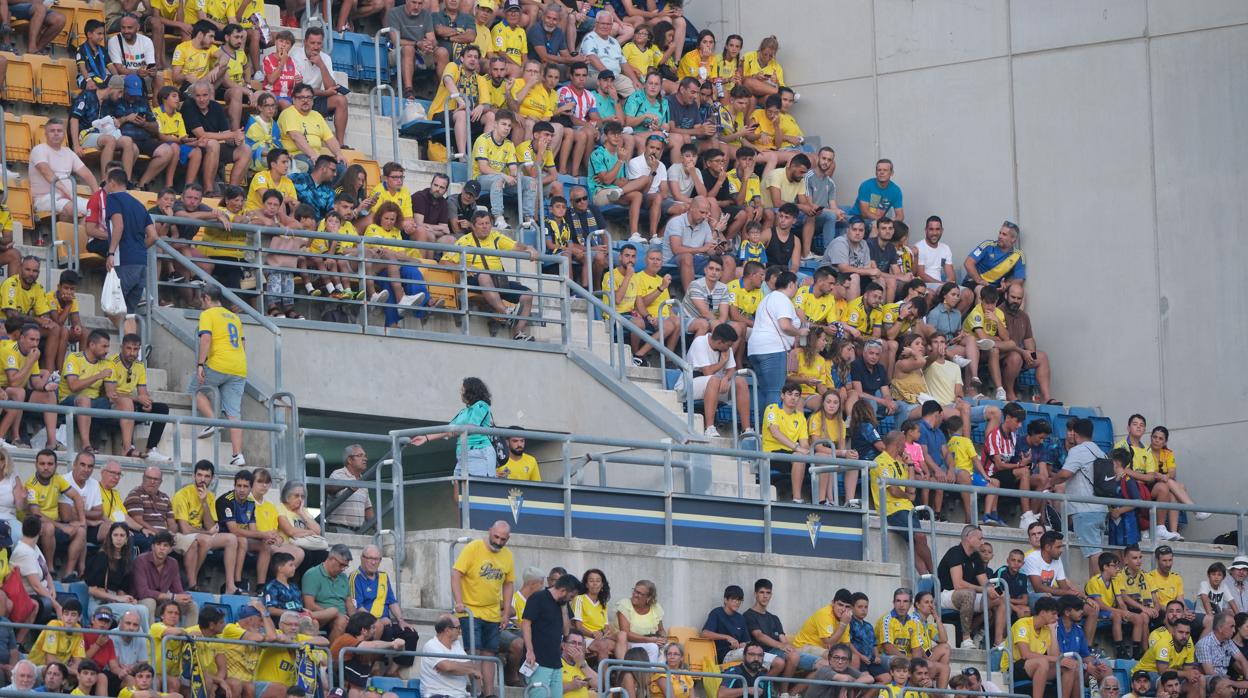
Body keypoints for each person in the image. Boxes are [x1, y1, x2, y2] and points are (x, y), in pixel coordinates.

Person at [438, 210, 540, 340]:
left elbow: (515, 245)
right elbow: (443, 262)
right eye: (481, 224)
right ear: (473, 226)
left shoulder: (496, 236)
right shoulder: (464, 241)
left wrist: (528, 248)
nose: (485, 226)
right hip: (475, 282)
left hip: (498, 281)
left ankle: (518, 332)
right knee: (484, 276)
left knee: (528, 295)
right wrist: (464, 267)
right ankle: (505, 313)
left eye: (487, 223)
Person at [448, 522, 514, 696]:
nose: (499, 542)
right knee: (474, 651)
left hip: (492, 613)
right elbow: (456, 573)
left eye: (503, 539)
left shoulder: (507, 555)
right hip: (471, 610)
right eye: (496, 537)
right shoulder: (474, 547)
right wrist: (459, 601)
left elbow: (508, 584)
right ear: (490, 532)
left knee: (489, 654)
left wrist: (506, 612)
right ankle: (477, 689)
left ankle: (489, 693)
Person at [189, 287, 247, 465]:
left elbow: (205, 339)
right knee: (233, 412)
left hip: (218, 363)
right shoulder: (234, 317)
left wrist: (200, 364)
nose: (201, 304)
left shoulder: (208, 314)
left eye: (201, 300)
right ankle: (237, 455)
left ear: (206, 298)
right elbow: (243, 344)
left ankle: (213, 421)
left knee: (194, 390)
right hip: (239, 366)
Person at [172, 459, 245, 594]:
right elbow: (184, 529)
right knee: (205, 540)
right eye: (199, 475)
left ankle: (230, 585)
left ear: (212, 478)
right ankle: (192, 582)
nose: (202, 479)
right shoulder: (182, 494)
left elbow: (211, 525)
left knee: (232, 539)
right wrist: (206, 532)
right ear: (193, 476)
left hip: (202, 534)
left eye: (206, 476)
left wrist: (204, 502)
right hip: (183, 535)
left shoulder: (210, 496)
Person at [1049, 417, 1109, 576]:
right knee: (1094, 552)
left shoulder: (1078, 450)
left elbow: (1065, 473)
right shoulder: (1100, 452)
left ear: (1075, 434)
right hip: (1101, 509)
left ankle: (1097, 593)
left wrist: (1051, 482)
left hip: (1085, 510)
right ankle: (1094, 591)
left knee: (1095, 553)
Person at [871, 431, 933, 575]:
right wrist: (908, 495)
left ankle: (927, 579)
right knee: (919, 536)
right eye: (903, 444)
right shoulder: (880, 462)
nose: (904, 447)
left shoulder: (900, 463)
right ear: (897, 444)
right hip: (892, 509)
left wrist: (910, 465)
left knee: (914, 543)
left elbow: (910, 487)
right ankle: (935, 572)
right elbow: (894, 490)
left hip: (907, 508)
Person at [937, 525, 1006, 649]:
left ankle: (998, 642)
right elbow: (958, 584)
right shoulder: (955, 552)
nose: (982, 542)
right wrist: (984, 589)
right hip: (945, 594)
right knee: (968, 593)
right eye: (980, 538)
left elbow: (984, 582)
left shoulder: (975, 557)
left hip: (966, 595)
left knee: (999, 599)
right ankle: (965, 639)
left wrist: (993, 591)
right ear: (969, 538)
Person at [104, 334, 170, 461]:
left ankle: (151, 449)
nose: (132, 353)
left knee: (162, 409)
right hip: (113, 404)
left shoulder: (139, 366)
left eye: (135, 350)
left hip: (130, 403)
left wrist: (146, 402)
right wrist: (136, 399)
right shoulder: (112, 363)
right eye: (129, 349)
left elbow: (142, 392)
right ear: (121, 347)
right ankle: (127, 448)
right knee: (128, 402)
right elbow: (110, 393)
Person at [747, 271, 806, 410]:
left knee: (765, 391)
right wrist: (800, 332)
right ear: (791, 284)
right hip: (772, 349)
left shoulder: (767, 298)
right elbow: (785, 325)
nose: (797, 289)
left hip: (755, 349)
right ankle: (771, 429)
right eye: (796, 285)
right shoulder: (782, 299)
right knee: (775, 391)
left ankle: (763, 427)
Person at [26, 448, 88, 580]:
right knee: (49, 528)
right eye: (42, 464)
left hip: (56, 524)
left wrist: (82, 520)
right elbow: (36, 514)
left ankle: (68, 573)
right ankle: (50, 569)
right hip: (36, 526)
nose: (46, 467)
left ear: (56, 465)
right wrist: (62, 527)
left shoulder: (57, 479)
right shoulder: (31, 484)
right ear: (36, 465)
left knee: (81, 531)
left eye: (50, 464)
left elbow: (76, 496)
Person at [1001, 596, 1078, 698]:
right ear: (1042, 612)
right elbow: (1025, 654)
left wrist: (1052, 631)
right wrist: (1057, 659)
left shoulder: (1046, 628)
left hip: (1035, 666)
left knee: (1071, 666)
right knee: (1042, 662)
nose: (1056, 618)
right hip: (1013, 666)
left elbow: (1054, 655)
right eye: (1053, 614)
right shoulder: (1022, 624)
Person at [182, 81, 252, 192]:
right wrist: (232, 134)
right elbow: (201, 135)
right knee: (213, 144)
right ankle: (208, 190)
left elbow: (226, 134)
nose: (202, 99)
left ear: (210, 95)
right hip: (194, 146)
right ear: (193, 96)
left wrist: (236, 140)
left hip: (214, 148)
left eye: (205, 95)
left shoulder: (216, 107)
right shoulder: (188, 105)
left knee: (245, 149)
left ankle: (232, 192)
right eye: (198, 96)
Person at [521, 573, 579, 698]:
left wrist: (564, 609)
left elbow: (566, 632)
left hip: (555, 662)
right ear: (563, 590)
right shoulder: (538, 598)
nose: (571, 599)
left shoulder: (563, 604)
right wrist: (529, 651)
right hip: (538, 660)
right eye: (571, 596)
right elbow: (526, 624)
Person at [57, 332, 115, 454]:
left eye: (108, 347)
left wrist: (114, 397)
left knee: (122, 403)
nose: (107, 350)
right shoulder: (74, 358)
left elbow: (110, 392)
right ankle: (86, 445)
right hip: (69, 400)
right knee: (84, 400)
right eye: (104, 346)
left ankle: (128, 447)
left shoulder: (107, 363)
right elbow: (73, 386)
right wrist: (98, 376)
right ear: (92, 345)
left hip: (94, 402)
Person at [30, 119, 98, 221]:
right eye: (52, 131)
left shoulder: (68, 152)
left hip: (68, 197)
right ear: (46, 134)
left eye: (59, 131)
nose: (56, 133)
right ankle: (62, 237)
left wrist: (97, 196)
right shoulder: (39, 149)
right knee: (70, 207)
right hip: (44, 198)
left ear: (64, 134)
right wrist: (66, 191)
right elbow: (46, 171)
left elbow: (87, 174)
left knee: (94, 209)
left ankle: (77, 236)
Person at [1055, 595, 1113, 688]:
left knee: (1105, 670)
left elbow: (1085, 656)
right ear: (1067, 612)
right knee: (1076, 670)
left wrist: (1096, 664)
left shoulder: (1078, 630)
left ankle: (1096, 695)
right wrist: (1086, 666)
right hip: (1060, 669)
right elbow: (1059, 656)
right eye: (1078, 609)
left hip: (1079, 668)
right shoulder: (1055, 628)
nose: (1082, 612)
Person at [421, 615, 479, 698]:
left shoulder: (456, 644)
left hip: (460, 695)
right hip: (437, 694)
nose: (460, 631)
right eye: (458, 628)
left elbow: (472, 665)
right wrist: (468, 669)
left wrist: (453, 665)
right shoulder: (431, 645)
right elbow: (446, 667)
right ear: (447, 630)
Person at [793, 589, 854, 660]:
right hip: (804, 646)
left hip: (823, 649)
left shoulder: (845, 618)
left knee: (852, 658)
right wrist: (843, 625)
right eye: (840, 605)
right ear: (833, 603)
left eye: (847, 606)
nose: (843, 609)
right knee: (833, 657)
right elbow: (828, 643)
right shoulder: (824, 614)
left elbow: (845, 644)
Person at [325, 444, 375, 530]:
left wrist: (379, 531)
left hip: (358, 531)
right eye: (360, 455)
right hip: (338, 529)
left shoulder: (362, 480)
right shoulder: (338, 474)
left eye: (365, 456)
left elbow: (367, 509)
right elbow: (330, 488)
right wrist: (347, 484)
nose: (365, 459)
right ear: (349, 460)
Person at [1197, 612, 1248, 691]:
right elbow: (1210, 673)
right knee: (1228, 689)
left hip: (1225, 679)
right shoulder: (1205, 644)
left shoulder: (1228, 641)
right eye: (1232, 627)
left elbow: (1242, 660)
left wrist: (1247, 679)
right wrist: (1233, 683)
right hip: (1209, 681)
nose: (1234, 630)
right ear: (1220, 628)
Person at [856, 159, 904, 233]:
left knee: (905, 228)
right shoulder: (866, 185)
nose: (882, 172)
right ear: (876, 172)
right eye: (879, 170)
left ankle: (897, 245)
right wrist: (884, 221)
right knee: (876, 225)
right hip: (858, 219)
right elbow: (865, 213)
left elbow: (900, 216)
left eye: (885, 170)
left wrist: (891, 221)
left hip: (879, 220)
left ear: (891, 173)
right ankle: (873, 245)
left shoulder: (895, 190)